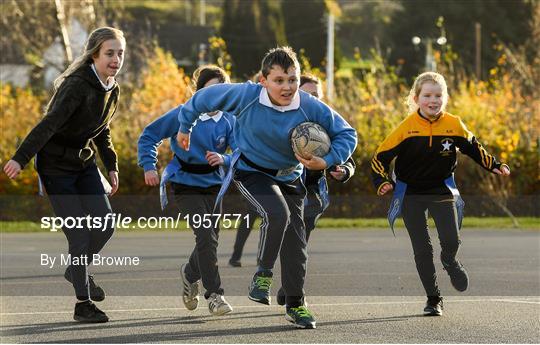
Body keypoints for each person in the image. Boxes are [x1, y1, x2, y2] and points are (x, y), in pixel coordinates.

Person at [176, 47, 357, 329]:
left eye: (293, 80)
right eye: (280, 80)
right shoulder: (246, 96)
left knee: (297, 243)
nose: (288, 87)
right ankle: (263, 274)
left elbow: (347, 133)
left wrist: (328, 160)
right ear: (264, 81)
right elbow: (203, 98)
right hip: (251, 170)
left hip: (289, 176)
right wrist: (185, 127)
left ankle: (296, 305)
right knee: (277, 214)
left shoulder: (309, 105)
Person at [3, 27, 126, 323]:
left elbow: (103, 131)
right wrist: (21, 158)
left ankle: (76, 270)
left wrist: (111, 165)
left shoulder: (112, 88)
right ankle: (82, 304)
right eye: (110, 53)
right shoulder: (76, 85)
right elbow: (50, 124)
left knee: (105, 225)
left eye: (120, 53)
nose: (116, 59)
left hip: (83, 163)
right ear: (94, 54)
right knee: (79, 234)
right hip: (55, 166)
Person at [371, 71, 511, 316]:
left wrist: (495, 165)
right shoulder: (406, 128)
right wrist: (382, 181)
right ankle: (433, 298)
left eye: (438, 95)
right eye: (427, 95)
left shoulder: (454, 124)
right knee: (422, 249)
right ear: (416, 98)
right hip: (410, 193)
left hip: (441, 189)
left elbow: (474, 147)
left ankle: (450, 260)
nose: (433, 100)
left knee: (451, 240)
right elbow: (379, 158)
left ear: (445, 98)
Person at [227, 74, 356, 306]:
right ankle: (286, 291)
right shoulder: (280, 117)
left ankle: (290, 289)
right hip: (275, 184)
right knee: (277, 224)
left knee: (297, 246)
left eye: (317, 94)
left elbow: (348, 156)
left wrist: (344, 170)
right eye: (309, 93)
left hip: (311, 194)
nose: (312, 97)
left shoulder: (322, 122)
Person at [137, 65, 235, 316]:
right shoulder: (183, 114)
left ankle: (190, 273)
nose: (214, 97)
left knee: (211, 238)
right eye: (209, 91)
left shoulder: (229, 120)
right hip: (184, 182)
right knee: (205, 236)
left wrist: (223, 159)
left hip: (214, 184)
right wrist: (149, 165)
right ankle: (215, 295)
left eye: (220, 91)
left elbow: (241, 151)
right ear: (198, 92)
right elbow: (149, 136)